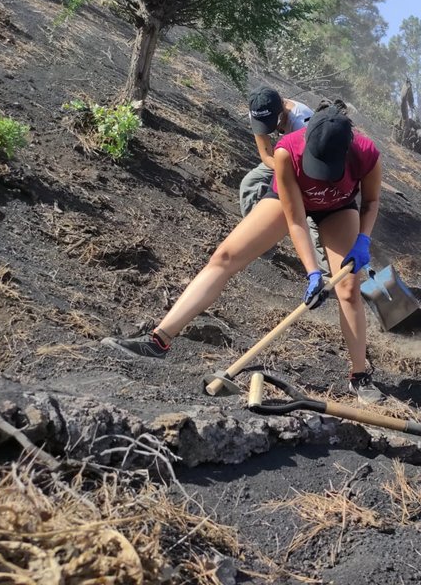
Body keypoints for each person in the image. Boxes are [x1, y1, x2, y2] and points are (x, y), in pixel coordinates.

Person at [102, 100, 384, 403]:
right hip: (291, 202)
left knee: (348, 288)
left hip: (339, 209)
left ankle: (359, 376)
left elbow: (370, 202)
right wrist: (313, 272)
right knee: (224, 258)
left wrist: (362, 241)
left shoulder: (366, 154)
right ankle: (159, 340)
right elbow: (296, 219)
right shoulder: (288, 150)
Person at [240, 86, 313, 217]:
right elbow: (266, 154)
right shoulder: (258, 111)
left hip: (309, 166)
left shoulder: (301, 122)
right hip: (282, 161)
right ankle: (256, 229)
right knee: (250, 184)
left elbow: (310, 164)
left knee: (306, 205)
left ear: (281, 111)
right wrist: (281, 169)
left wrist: (287, 179)